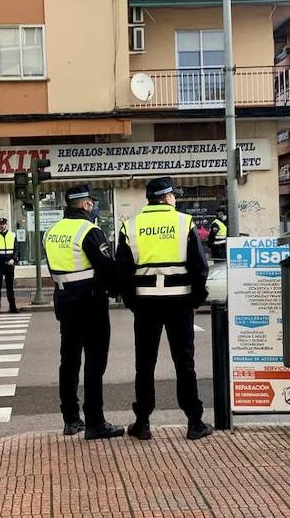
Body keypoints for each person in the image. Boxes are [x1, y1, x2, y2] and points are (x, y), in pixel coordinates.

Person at [116, 177, 213, 442]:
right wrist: (194, 300)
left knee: (145, 364)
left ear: (149, 199)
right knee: (184, 362)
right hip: (179, 303)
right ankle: (194, 422)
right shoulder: (183, 222)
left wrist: (133, 302)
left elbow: (122, 272)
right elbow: (199, 268)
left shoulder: (131, 226)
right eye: (174, 196)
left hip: (145, 304)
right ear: (169, 197)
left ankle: (143, 422)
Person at [43, 184, 124, 440]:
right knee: (94, 362)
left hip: (64, 301)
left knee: (69, 361)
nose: (94, 206)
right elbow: (105, 267)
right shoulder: (90, 230)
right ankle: (95, 422)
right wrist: (117, 290)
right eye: (92, 202)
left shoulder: (52, 231)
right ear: (86, 204)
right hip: (90, 303)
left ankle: (70, 419)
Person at [0, 218, 19, 314]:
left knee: (10, 287)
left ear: (6, 225)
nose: (2, 226)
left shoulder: (12, 235)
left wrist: (13, 259)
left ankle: (12, 307)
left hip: (9, 264)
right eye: (0, 224)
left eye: (4, 224)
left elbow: (17, 249)